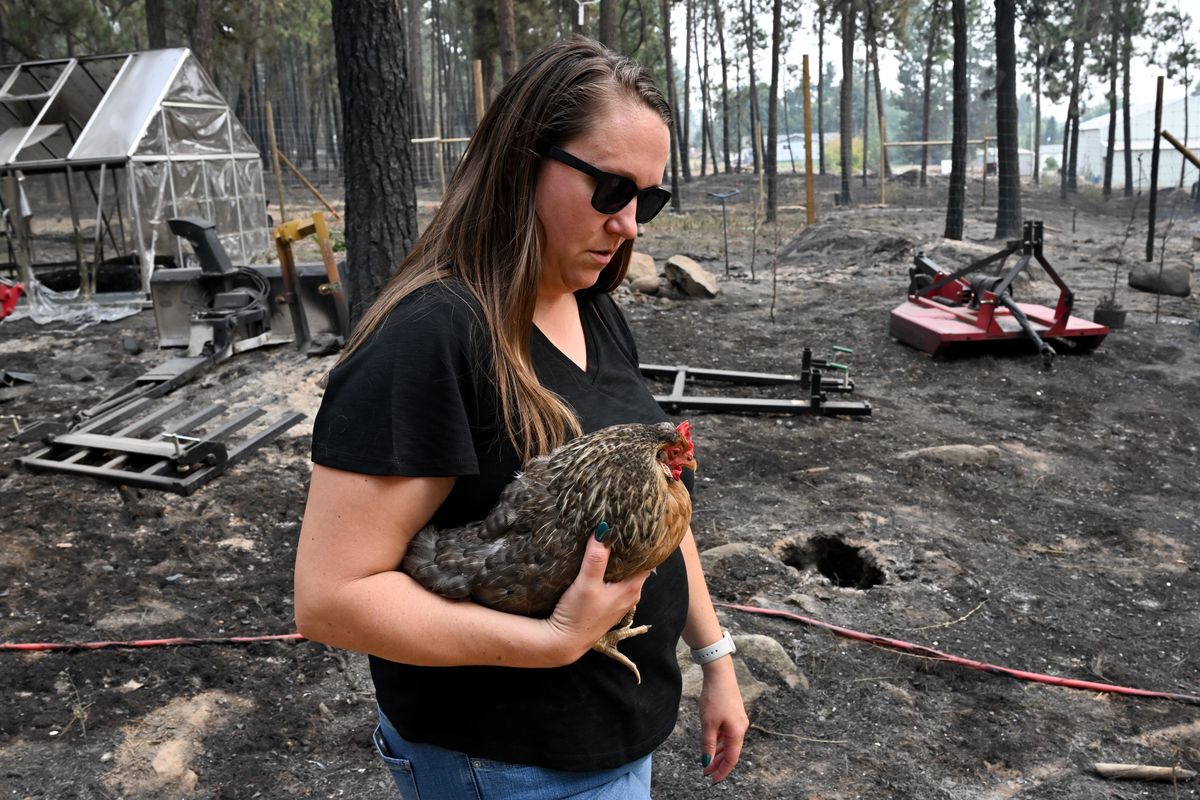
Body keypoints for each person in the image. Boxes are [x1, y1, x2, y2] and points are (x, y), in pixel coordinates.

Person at [293, 36, 748, 799]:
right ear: (521, 163)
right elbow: (331, 598)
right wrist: (551, 644)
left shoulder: (590, 305)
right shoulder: (430, 339)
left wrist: (716, 656)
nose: (632, 225)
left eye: (650, 199)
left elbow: (662, 511)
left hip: (611, 746)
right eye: (611, 190)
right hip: (506, 768)